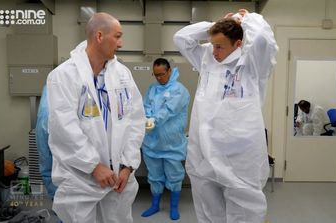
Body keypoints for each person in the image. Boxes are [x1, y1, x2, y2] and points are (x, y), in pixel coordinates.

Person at [173, 9, 278, 223]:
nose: (214, 51)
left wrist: (246, 19)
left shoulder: (253, 62)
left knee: (245, 210)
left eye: (219, 46)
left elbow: (263, 39)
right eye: (213, 45)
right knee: (208, 209)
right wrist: (217, 24)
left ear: (238, 44)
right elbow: (181, 38)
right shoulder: (207, 58)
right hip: (204, 152)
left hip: (239, 155)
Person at [46, 12, 145, 223]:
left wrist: (128, 166)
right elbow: (64, 128)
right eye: (117, 36)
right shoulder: (63, 76)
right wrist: (93, 166)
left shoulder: (122, 75)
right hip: (80, 178)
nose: (121, 43)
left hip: (119, 178)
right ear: (99, 36)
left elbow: (135, 121)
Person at [140, 58, 190, 220]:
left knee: (174, 175)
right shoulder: (152, 89)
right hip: (152, 143)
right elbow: (145, 105)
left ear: (169, 71)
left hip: (172, 144)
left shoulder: (179, 90)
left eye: (162, 74)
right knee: (154, 176)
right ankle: (155, 205)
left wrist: (154, 120)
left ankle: (173, 208)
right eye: (156, 75)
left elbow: (170, 109)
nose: (159, 78)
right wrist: (147, 117)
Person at [35, 85, 57, 200]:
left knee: (48, 166)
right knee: (48, 166)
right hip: (47, 128)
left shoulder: (49, 86)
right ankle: (57, 201)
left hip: (46, 127)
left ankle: (58, 201)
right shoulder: (50, 85)